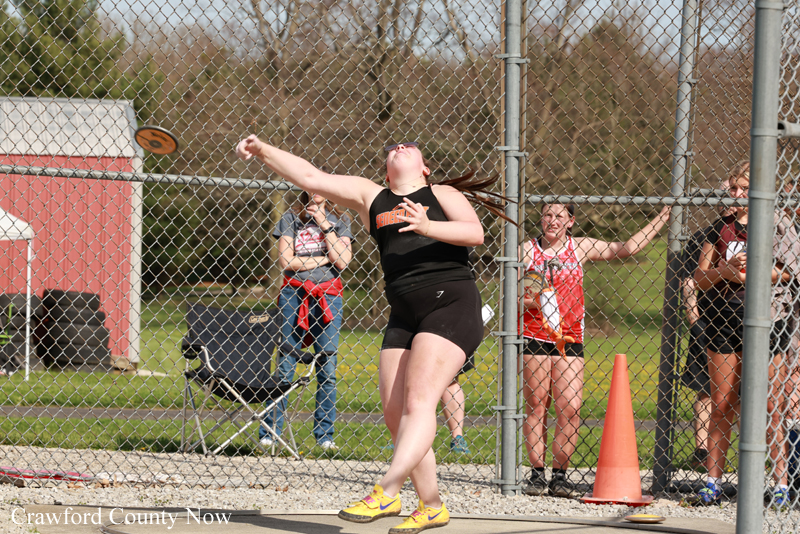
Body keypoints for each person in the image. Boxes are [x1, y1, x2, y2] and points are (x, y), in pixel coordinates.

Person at [237, 136, 504, 533]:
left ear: (424, 167)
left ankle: (388, 489)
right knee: (396, 414)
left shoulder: (440, 192)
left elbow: (474, 232)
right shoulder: (372, 196)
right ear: (385, 171)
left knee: (419, 401)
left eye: (410, 146)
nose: (399, 146)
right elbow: (312, 176)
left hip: (451, 302)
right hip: (404, 312)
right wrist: (263, 151)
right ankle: (431, 505)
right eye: (393, 147)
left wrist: (428, 225)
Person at [519, 203, 670, 498]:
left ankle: (559, 475)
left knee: (570, 408)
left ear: (571, 221)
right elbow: (516, 296)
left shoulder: (580, 247)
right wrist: (535, 300)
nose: (552, 221)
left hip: (571, 337)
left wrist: (661, 219)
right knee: (537, 406)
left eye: (560, 216)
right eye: (548, 215)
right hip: (535, 335)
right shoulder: (527, 250)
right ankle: (537, 475)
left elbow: (626, 248)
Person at [693, 161, 800, 507]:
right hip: (725, 320)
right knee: (723, 403)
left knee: (771, 404)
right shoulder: (719, 230)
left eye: (744, 189)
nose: (737, 196)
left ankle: (780, 482)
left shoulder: (778, 224)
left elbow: (788, 272)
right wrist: (725, 271)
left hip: (769, 320)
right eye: (734, 189)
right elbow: (700, 278)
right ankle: (713, 481)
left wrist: (752, 273)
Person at [259, 191, 353, 451]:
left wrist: (325, 225)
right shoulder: (290, 218)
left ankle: (324, 436)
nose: (315, 190)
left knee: (327, 368)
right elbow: (285, 261)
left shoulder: (341, 219)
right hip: (293, 294)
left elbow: (343, 261)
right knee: (285, 364)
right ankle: (270, 431)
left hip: (328, 295)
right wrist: (326, 257)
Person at [678, 182, 735, 472]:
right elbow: (689, 280)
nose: (728, 200)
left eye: (734, 193)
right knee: (705, 388)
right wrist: (694, 319)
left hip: (739, 318)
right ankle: (702, 450)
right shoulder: (706, 235)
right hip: (710, 320)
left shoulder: (757, 231)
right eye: (722, 195)